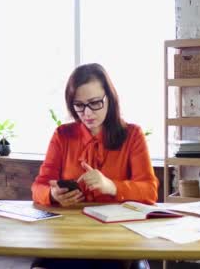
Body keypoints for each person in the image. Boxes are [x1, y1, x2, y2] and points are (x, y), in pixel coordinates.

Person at [30, 63, 158, 269]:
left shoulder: (133, 135)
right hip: (69, 235)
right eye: (79, 105)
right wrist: (53, 195)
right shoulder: (63, 135)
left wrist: (112, 187)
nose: (87, 113)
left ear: (109, 98)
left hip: (117, 237)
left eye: (95, 103)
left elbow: (150, 191)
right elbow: (39, 187)